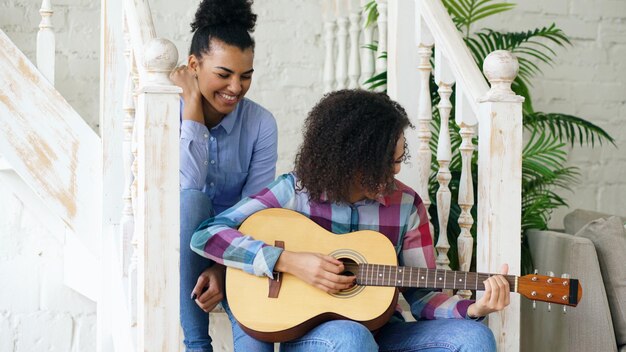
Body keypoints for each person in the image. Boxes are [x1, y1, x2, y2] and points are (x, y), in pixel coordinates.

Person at [190, 89, 510, 352]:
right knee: (351, 338)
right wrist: (287, 261)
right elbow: (207, 234)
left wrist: (472, 310)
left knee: (475, 338)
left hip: (385, 331)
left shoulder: (407, 204)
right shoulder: (295, 191)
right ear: (350, 159)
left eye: (399, 160)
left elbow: (421, 293)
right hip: (313, 335)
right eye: (386, 163)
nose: (396, 171)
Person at [170, 0, 277, 351]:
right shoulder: (164, 111)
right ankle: (197, 345)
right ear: (193, 65)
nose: (236, 87)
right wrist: (192, 107)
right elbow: (187, 185)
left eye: (246, 76)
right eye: (224, 74)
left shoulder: (261, 124)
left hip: (235, 251)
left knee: (257, 341)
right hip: (176, 247)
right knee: (192, 201)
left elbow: (255, 211)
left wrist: (222, 269)